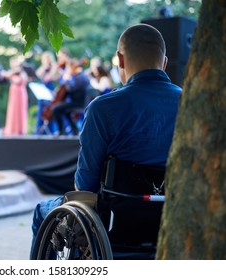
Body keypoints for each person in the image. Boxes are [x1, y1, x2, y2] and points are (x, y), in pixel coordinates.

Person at [31, 24, 182, 253]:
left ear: (120, 60)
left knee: (41, 212)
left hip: (114, 226)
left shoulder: (103, 109)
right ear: (164, 63)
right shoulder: (189, 105)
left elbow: (84, 185)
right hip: (173, 219)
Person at [50, 58, 90, 136]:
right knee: (64, 111)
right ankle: (74, 130)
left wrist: (66, 79)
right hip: (75, 102)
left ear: (73, 67)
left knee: (55, 109)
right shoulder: (79, 77)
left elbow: (71, 89)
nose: (69, 71)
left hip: (78, 103)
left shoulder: (81, 77)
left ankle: (61, 131)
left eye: (69, 68)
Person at [1, 56, 29, 136]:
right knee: (13, 110)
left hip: (21, 93)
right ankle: (12, 128)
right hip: (13, 93)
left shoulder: (22, 73)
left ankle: (20, 129)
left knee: (20, 110)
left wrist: (18, 71)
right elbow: (4, 75)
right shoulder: (12, 72)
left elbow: (20, 80)